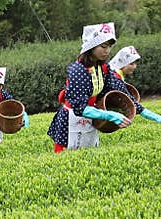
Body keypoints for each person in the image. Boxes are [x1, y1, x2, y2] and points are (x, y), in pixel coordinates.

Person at [48, 22, 139, 153]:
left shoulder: (103, 68)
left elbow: (114, 90)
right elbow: (79, 108)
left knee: (88, 155)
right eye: (103, 46)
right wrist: (109, 115)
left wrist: (143, 111)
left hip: (92, 116)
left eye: (109, 47)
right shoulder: (78, 70)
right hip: (72, 119)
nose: (107, 51)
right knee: (66, 158)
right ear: (91, 46)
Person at [109, 46, 161, 123]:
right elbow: (131, 102)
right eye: (131, 64)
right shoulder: (115, 79)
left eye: (135, 63)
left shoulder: (114, 75)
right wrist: (157, 118)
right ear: (122, 63)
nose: (134, 67)